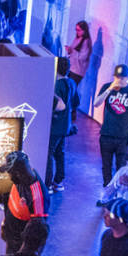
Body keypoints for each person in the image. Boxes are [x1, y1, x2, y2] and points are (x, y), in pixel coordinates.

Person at [92, 64, 128, 186]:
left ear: (127, 78)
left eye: (122, 78)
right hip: (107, 134)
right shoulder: (107, 87)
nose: (119, 80)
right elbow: (96, 104)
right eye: (117, 77)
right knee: (106, 166)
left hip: (122, 136)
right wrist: (109, 89)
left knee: (121, 167)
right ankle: (107, 190)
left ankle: (118, 192)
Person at [0, 151, 48, 255]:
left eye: (10, 173)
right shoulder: (20, 180)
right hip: (11, 237)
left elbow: (37, 234)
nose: (9, 177)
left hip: (19, 248)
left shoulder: (37, 197)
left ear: (18, 173)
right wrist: (5, 224)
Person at [47, 57, 73, 191]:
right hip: (65, 125)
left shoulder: (56, 85)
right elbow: (75, 102)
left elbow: (54, 105)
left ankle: (48, 183)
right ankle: (58, 181)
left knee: (49, 153)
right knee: (60, 152)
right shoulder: (71, 83)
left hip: (55, 125)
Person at [65, 20, 92, 86]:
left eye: (78, 30)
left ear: (84, 30)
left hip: (77, 71)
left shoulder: (86, 41)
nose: (77, 32)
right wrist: (69, 50)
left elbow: (83, 57)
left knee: (70, 89)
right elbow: (73, 51)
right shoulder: (77, 38)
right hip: (71, 68)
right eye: (76, 29)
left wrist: (72, 51)